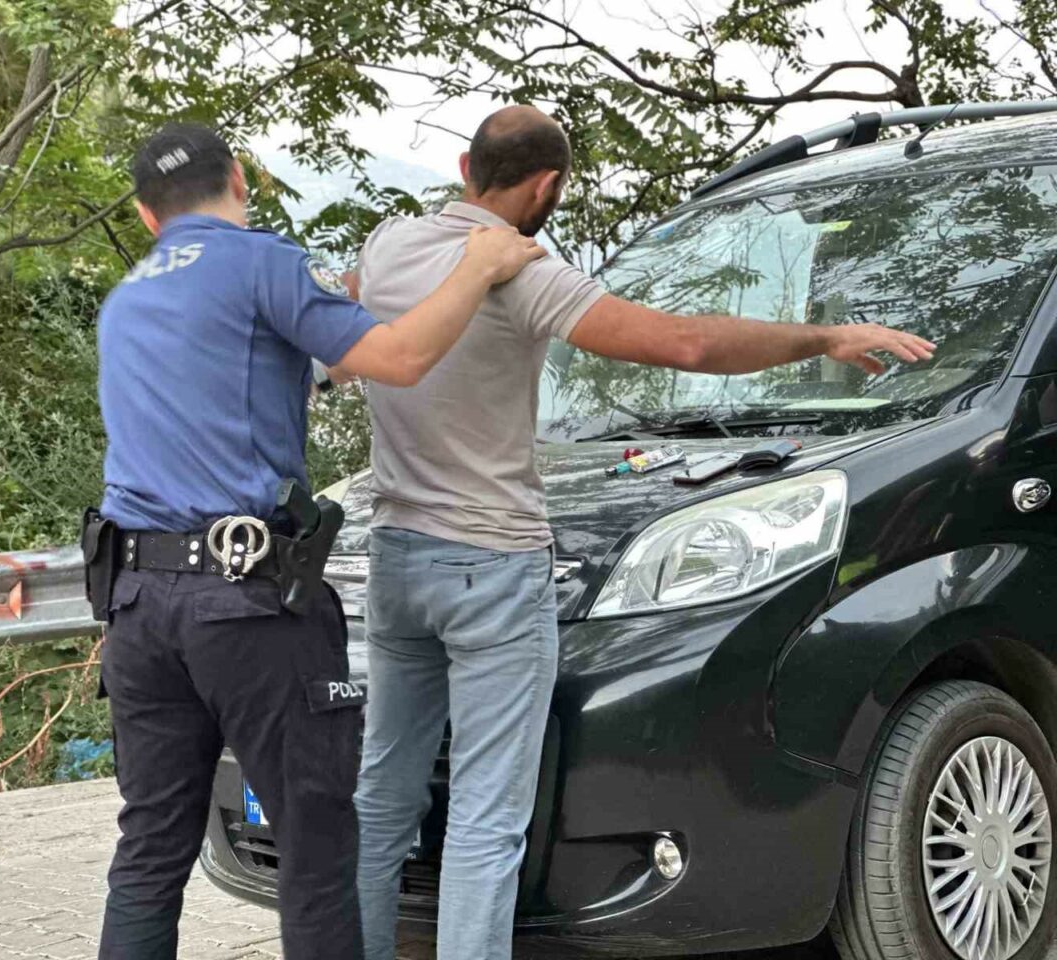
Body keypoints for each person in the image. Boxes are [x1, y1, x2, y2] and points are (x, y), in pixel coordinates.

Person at [348, 105, 936, 960]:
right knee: (485, 816)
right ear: (546, 187)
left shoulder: (388, 247)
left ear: (465, 166)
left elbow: (346, 324)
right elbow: (685, 345)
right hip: (491, 568)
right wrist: (825, 335)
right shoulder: (518, 270)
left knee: (381, 799)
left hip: (396, 561)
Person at [88, 121, 545, 960]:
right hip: (246, 605)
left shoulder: (130, 299)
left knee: (150, 850)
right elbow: (400, 359)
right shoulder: (261, 262)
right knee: (316, 843)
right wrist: (481, 261)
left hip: (136, 608)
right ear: (241, 179)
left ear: (150, 219)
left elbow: (287, 370)